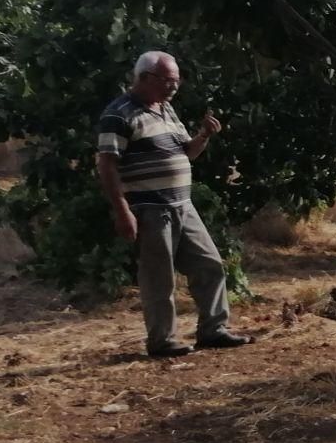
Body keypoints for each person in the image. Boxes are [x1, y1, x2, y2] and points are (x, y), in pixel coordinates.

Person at [96, 51, 252, 358]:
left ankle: (213, 330)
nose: (173, 87)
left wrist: (204, 134)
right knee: (159, 277)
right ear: (144, 78)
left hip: (182, 204)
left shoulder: (166, 109)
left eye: (176, 80)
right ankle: (162, 340)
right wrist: (122, 209)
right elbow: (107, 165)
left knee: (209, 264)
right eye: (167, 80)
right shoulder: (119, 115)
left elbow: (187, 152)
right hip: (150, 209)